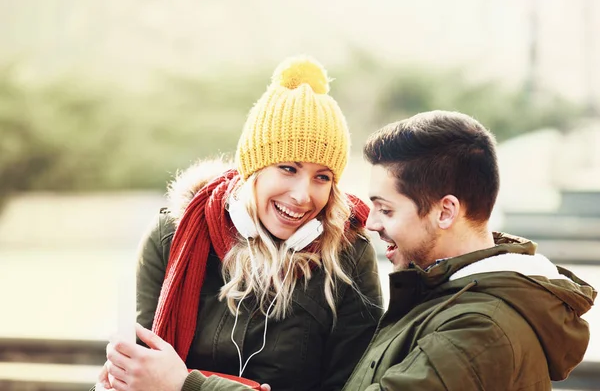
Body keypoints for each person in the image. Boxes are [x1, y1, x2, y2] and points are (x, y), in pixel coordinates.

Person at [95, 55, 383, 391]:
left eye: (322, 177)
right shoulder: (173, 235)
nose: (303, 195)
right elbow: (137, 372)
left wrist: (184, 385)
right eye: (288, 169)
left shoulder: (349, 256)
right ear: (254, 169)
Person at [342, 110, 597, 391]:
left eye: (386, 209)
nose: (371, 223)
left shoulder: (476, 332)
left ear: (445, 212)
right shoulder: (451, 295)